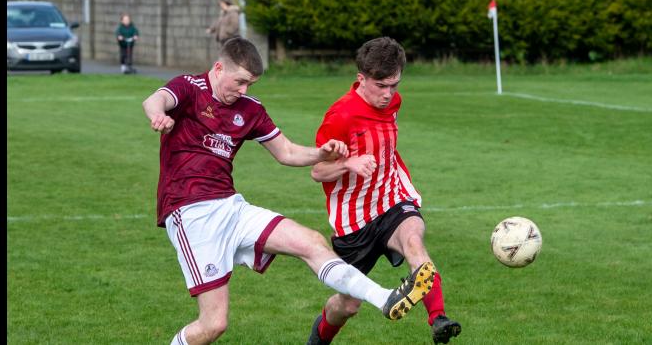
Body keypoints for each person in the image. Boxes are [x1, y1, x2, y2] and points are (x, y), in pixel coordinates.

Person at [141, 37, 436, 345]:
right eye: (240, 82)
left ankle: (385, 298)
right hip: (189, 212)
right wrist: (158, 115)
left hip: (231, 206)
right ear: (218, 68)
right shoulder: (189, 87)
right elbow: (155, 100)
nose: (244, 90)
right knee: (213, 324)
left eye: (250, 84)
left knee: (311, 241)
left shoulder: (250, 109)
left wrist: (323, 153)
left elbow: (287, 153)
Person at [306, 37, 462, 345]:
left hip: (391, 198)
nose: (388, 94)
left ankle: (439, 319)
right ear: (360, 79)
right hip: (354, 219)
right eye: (381, 85)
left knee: (414, 241)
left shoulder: (394, 102)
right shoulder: (341, 116)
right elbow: (317, 171)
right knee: (347, 305)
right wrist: (349, 163)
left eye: (394, 85)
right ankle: (318, 339)